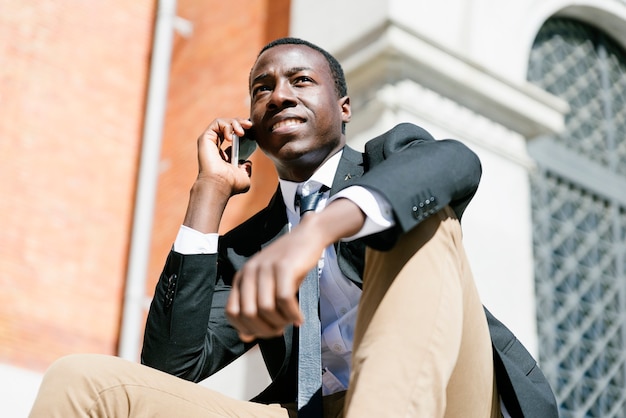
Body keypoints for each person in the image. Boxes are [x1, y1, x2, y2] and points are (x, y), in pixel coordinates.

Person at [29, 37, 557, 418]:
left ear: (344, 107)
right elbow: (172, 370)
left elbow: (453, 163)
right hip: (308, 410)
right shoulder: (249, 249)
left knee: (416, 217)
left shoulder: (389, 157)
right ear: (253, 124)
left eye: (301, 81)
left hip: (452, 397)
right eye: (263, 89)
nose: (279, 95)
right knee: (83, 381)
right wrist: (207, 195)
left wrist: (316, 230)